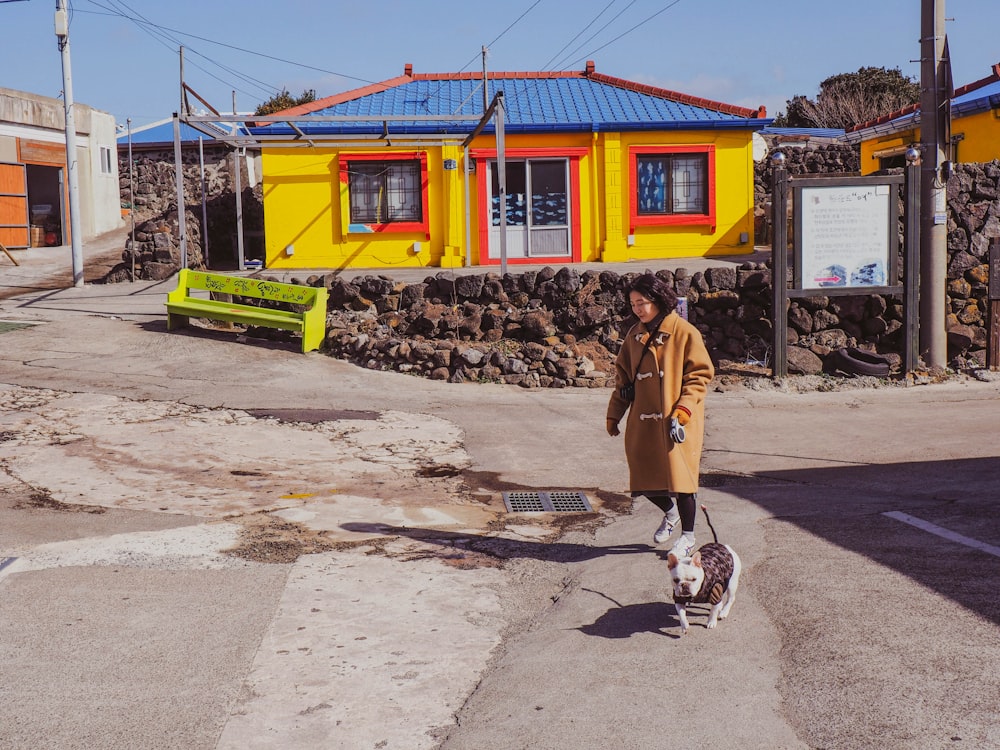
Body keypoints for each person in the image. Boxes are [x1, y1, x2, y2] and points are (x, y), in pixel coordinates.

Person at [606, 273, 714, 558]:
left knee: (682, 480)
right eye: (633, 304)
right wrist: (614, 414)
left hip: (677, 419)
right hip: (643, 418)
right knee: (642, 474)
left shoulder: (685, 332)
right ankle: (670, 513)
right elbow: (623, 379)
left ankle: (688, 537)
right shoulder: (634, 335)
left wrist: (683, 409)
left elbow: (700, 375)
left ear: (658, 300)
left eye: (642, 302)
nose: (638, 309)